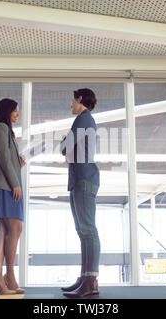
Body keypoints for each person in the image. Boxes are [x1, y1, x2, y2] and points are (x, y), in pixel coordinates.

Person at [60, 88, 100, 298]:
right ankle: (85, 277)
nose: (71, 104)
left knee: (88, 230)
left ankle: (91, 281)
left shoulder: (83, 119)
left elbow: (65, 146)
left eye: (72, 100)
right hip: (80, 179)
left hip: (84, 178)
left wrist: (64, 143)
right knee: (82, 230)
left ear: (80, 99)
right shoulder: (84, 120)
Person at [0, 98, 26, 295]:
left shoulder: (6, 131)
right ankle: (7, 275)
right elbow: (3, 158)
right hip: (6, 185)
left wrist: (19, 163)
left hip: (6, 183)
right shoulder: (1, 128)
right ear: (6, 111)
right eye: (15, 111)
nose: (18, 115)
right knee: (15, 227)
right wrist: (15, 183)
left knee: (4, 229)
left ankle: (0, 276)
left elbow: (8, 158)